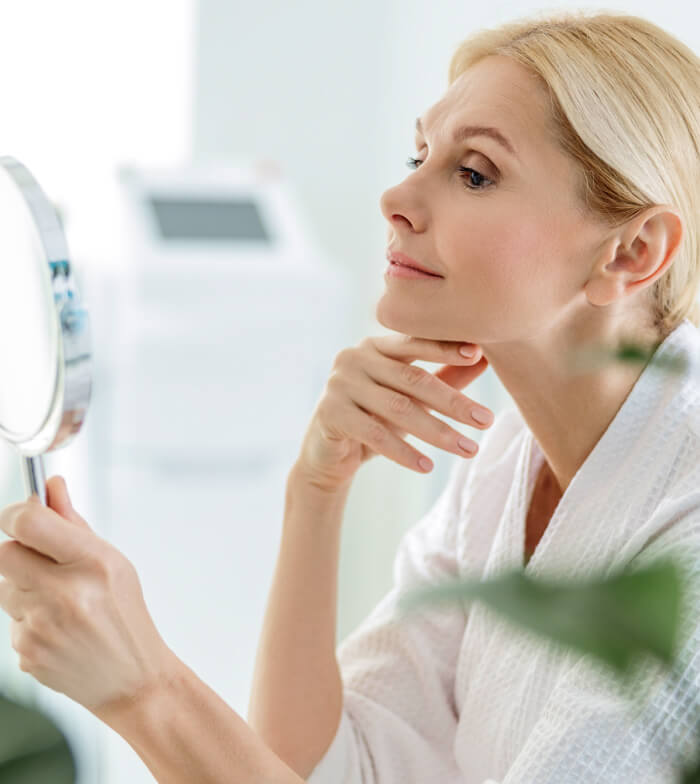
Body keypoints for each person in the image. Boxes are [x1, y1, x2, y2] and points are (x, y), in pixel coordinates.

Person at [0, 8, 698, 784]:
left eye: (474, 173)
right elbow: (326, 765)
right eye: (418, 152)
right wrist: (316, 491)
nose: (396, 195)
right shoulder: (507, 464)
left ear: (632, 252)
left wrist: (143, 689)